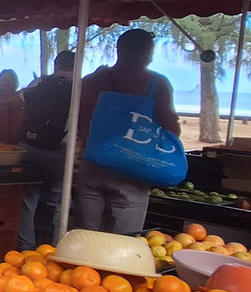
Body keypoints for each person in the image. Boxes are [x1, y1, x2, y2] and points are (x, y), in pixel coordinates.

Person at [75, 28, 179, 234]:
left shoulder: (92, 81)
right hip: (132, 168)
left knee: (86, 236)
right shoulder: (157, 84)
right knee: (124, 241)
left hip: (93, 161)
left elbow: (81, 120)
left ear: (119, 50)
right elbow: (171, 129)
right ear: (147, 52)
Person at [16, 50, 75, 250]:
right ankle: (57, 248)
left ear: (56, 65)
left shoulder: (41, 82)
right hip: (61, 153)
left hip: (31, 149)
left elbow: (19, 104)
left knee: (28, 200)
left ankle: (26, 248)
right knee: (58, 201)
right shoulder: (81, 87)